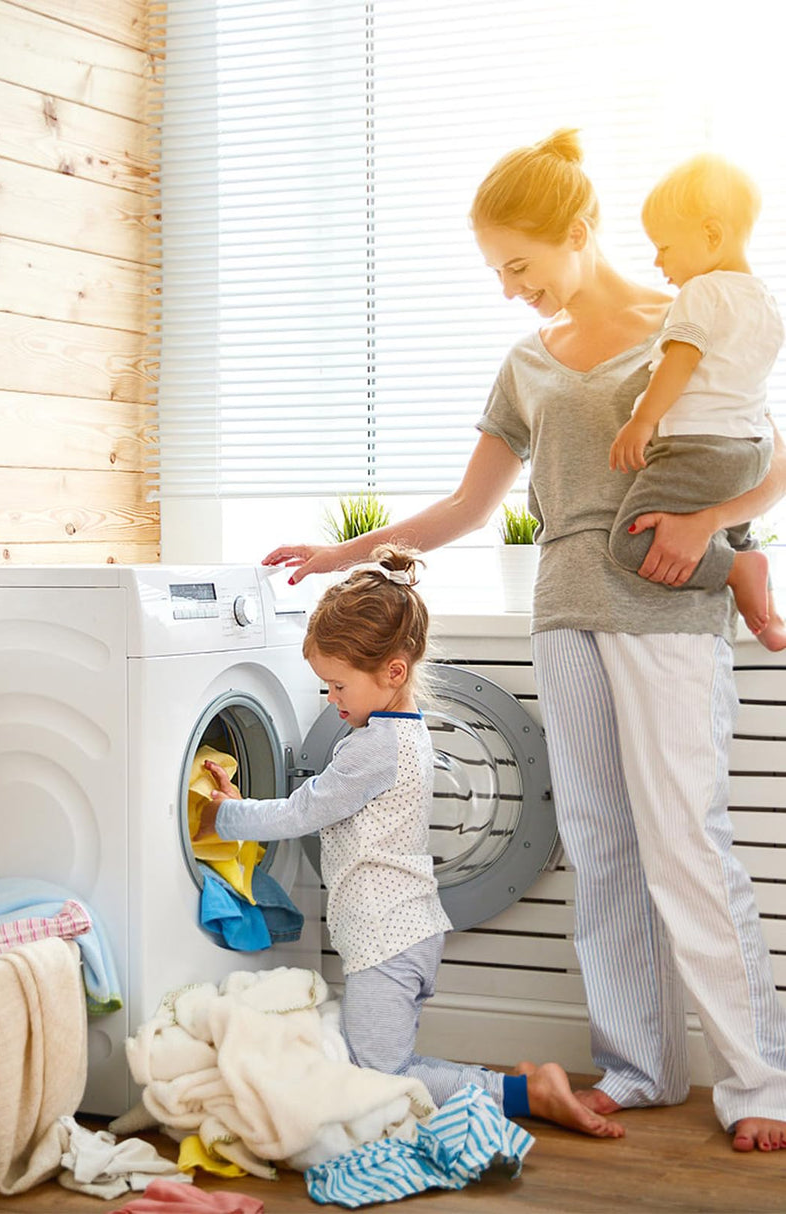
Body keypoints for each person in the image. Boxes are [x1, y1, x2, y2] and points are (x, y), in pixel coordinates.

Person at [262, 130, 786, 1153]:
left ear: (577, 233)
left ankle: (757, 1076)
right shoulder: (525, 364)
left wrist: (710, 525)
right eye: (495, 272)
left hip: (665, 601)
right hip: (563, 601)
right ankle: (638, 1064)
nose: (510, 290)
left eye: (518, 265)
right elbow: (468, 504)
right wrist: (344, 551)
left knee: (683, 839)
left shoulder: (686, 320)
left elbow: (767, 458)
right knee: (596, 843)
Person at [197, 545, 623, 1139]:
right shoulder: (403, 733)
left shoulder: (372, 750)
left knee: (378, 1074)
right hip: (406, 931)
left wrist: (224, 816)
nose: (331, 700)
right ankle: (522, 1084)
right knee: (370, 1059)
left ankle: (527, 1093)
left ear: (392, 672)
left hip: (386, 942)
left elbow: (302, 810)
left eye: (338, 686)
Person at [607, 153, 786, 650]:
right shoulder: (767, 301)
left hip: (698, 450)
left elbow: (680, 362)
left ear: (711, 235)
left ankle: (737, 571)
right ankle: (768, 614)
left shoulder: (703, 292)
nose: (658, 263)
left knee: (630, 541)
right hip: (751, 451)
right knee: (734, 534)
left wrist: (642, 422)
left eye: (663, 247)